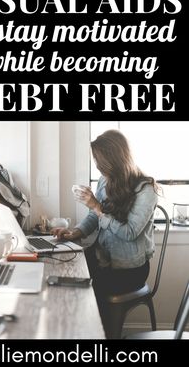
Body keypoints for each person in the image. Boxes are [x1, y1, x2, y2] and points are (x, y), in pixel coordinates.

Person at [52, 129, 159, 337]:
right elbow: (94, 217)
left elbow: (129, 233)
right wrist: (75, 232)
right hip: (103, 259)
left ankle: (98, 337)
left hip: (130, 270)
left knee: (86, 290)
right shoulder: (105, 181)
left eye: (100, 161)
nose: (98, 166)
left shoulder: (146, 190)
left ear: (115, 159)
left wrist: (96, 207)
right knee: (62, 274)